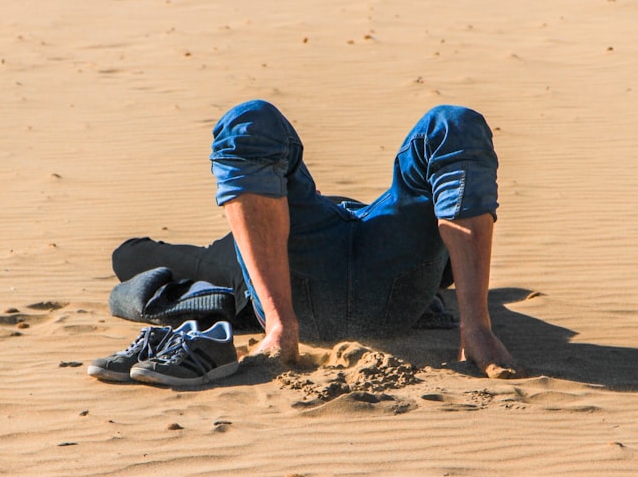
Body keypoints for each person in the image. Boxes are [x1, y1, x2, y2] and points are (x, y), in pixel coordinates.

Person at [208, 99, 520, 378]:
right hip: (378, 288)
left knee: (248, 123)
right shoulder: (269, 230)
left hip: (343, 282)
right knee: (454, 124)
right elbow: (195, 260)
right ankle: (477, 328)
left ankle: (280, 328)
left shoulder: (266, 221)